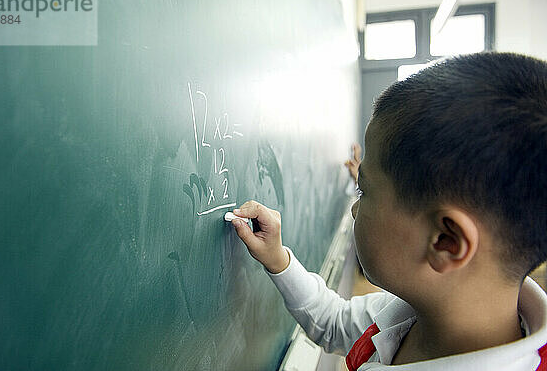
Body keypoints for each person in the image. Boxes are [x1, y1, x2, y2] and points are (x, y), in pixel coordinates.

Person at [230, 52, 547, 370]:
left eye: (364, 191)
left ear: (445, 241)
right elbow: (334, 322)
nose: (354, 209)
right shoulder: (415, 313)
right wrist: (278, 260)